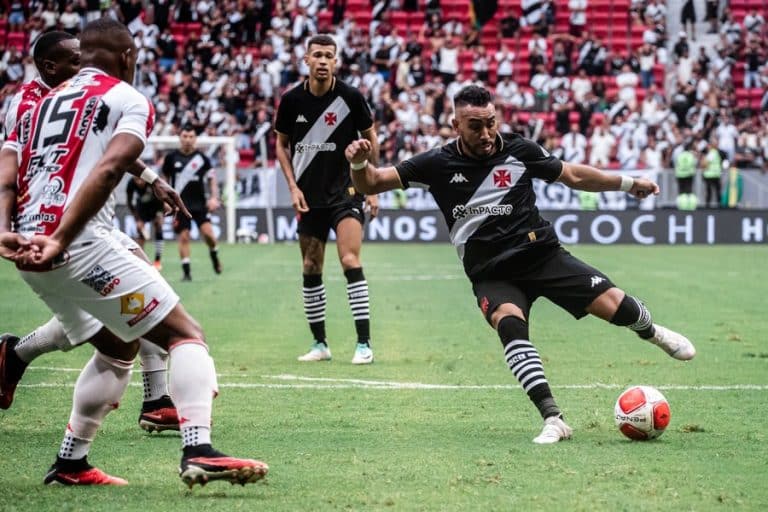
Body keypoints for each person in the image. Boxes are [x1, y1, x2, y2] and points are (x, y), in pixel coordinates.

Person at [343, 85, 696, 444]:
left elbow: (573, 175)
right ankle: (554, 419)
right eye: (475, 126)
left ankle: (652, 331)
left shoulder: (518, 150)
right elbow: (372, 181)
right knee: (509, 324)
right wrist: (358, 161)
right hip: (491, 273)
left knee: (615, 306)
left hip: (543, 255)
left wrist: (628, 183)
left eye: (491, 123)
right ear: (455, 125)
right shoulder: (435, 164)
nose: (485, 133)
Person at [0, 18, 267, 486]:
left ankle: (70, 462)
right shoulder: (127, 98)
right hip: (76, 243)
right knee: (185, 334)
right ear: (128, 58)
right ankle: (198, 447)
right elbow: (108, 167)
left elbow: (9, 172)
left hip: (27, 247)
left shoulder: (36, 99)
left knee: (119, 348)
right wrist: (63, 238)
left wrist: (6, 229)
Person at [0, 31, 185, 434]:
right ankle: (154, 401)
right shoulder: (27, 104)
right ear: (49, 66)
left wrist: (151, 178)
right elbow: (13, 169)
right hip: (54, 228)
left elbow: (105, 137)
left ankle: (17, 355)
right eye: (74, 60)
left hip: (84, 222)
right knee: (138, 303)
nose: (84, 67)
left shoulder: (72, 93)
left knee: (120, 310)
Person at [274, 34, 380, 365]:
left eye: (328, 56)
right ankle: (320, 344)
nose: (322, 61)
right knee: (310, 264)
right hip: (309, 196)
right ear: (305, 60)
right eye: (317, 55)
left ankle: (364, 344)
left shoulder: (349, 96)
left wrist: (371, 184)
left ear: (336, 61)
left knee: (349, 259)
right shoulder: (291, 101)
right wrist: (292, 186)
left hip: (346, 191)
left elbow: (371, 138)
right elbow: (280, 144)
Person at [161, 126, 222, 281]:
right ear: (180, 137)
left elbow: (212, 179)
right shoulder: (171, 158)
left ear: (195, 139)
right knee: (184, 237)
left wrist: (214, 197)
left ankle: (214, 253)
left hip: (200, 204)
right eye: (185, 136)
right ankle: (187, 272)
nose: (188, 139)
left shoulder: (202, 159)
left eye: (191, 136)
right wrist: (165, 201)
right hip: (180, 205)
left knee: (209, 235)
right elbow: (163, 180)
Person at [126, 175, 165, 269]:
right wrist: (137, 220)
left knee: (158, 228)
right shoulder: (131, 183)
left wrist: (160, 213)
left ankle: (157, 260)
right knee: (140, 232)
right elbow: (129, 202)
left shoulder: (151, 181)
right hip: (142, 207)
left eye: (141, 179)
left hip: (156, 205)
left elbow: (161, 198)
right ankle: (140, 262)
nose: (139, 182)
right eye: (136, 180)